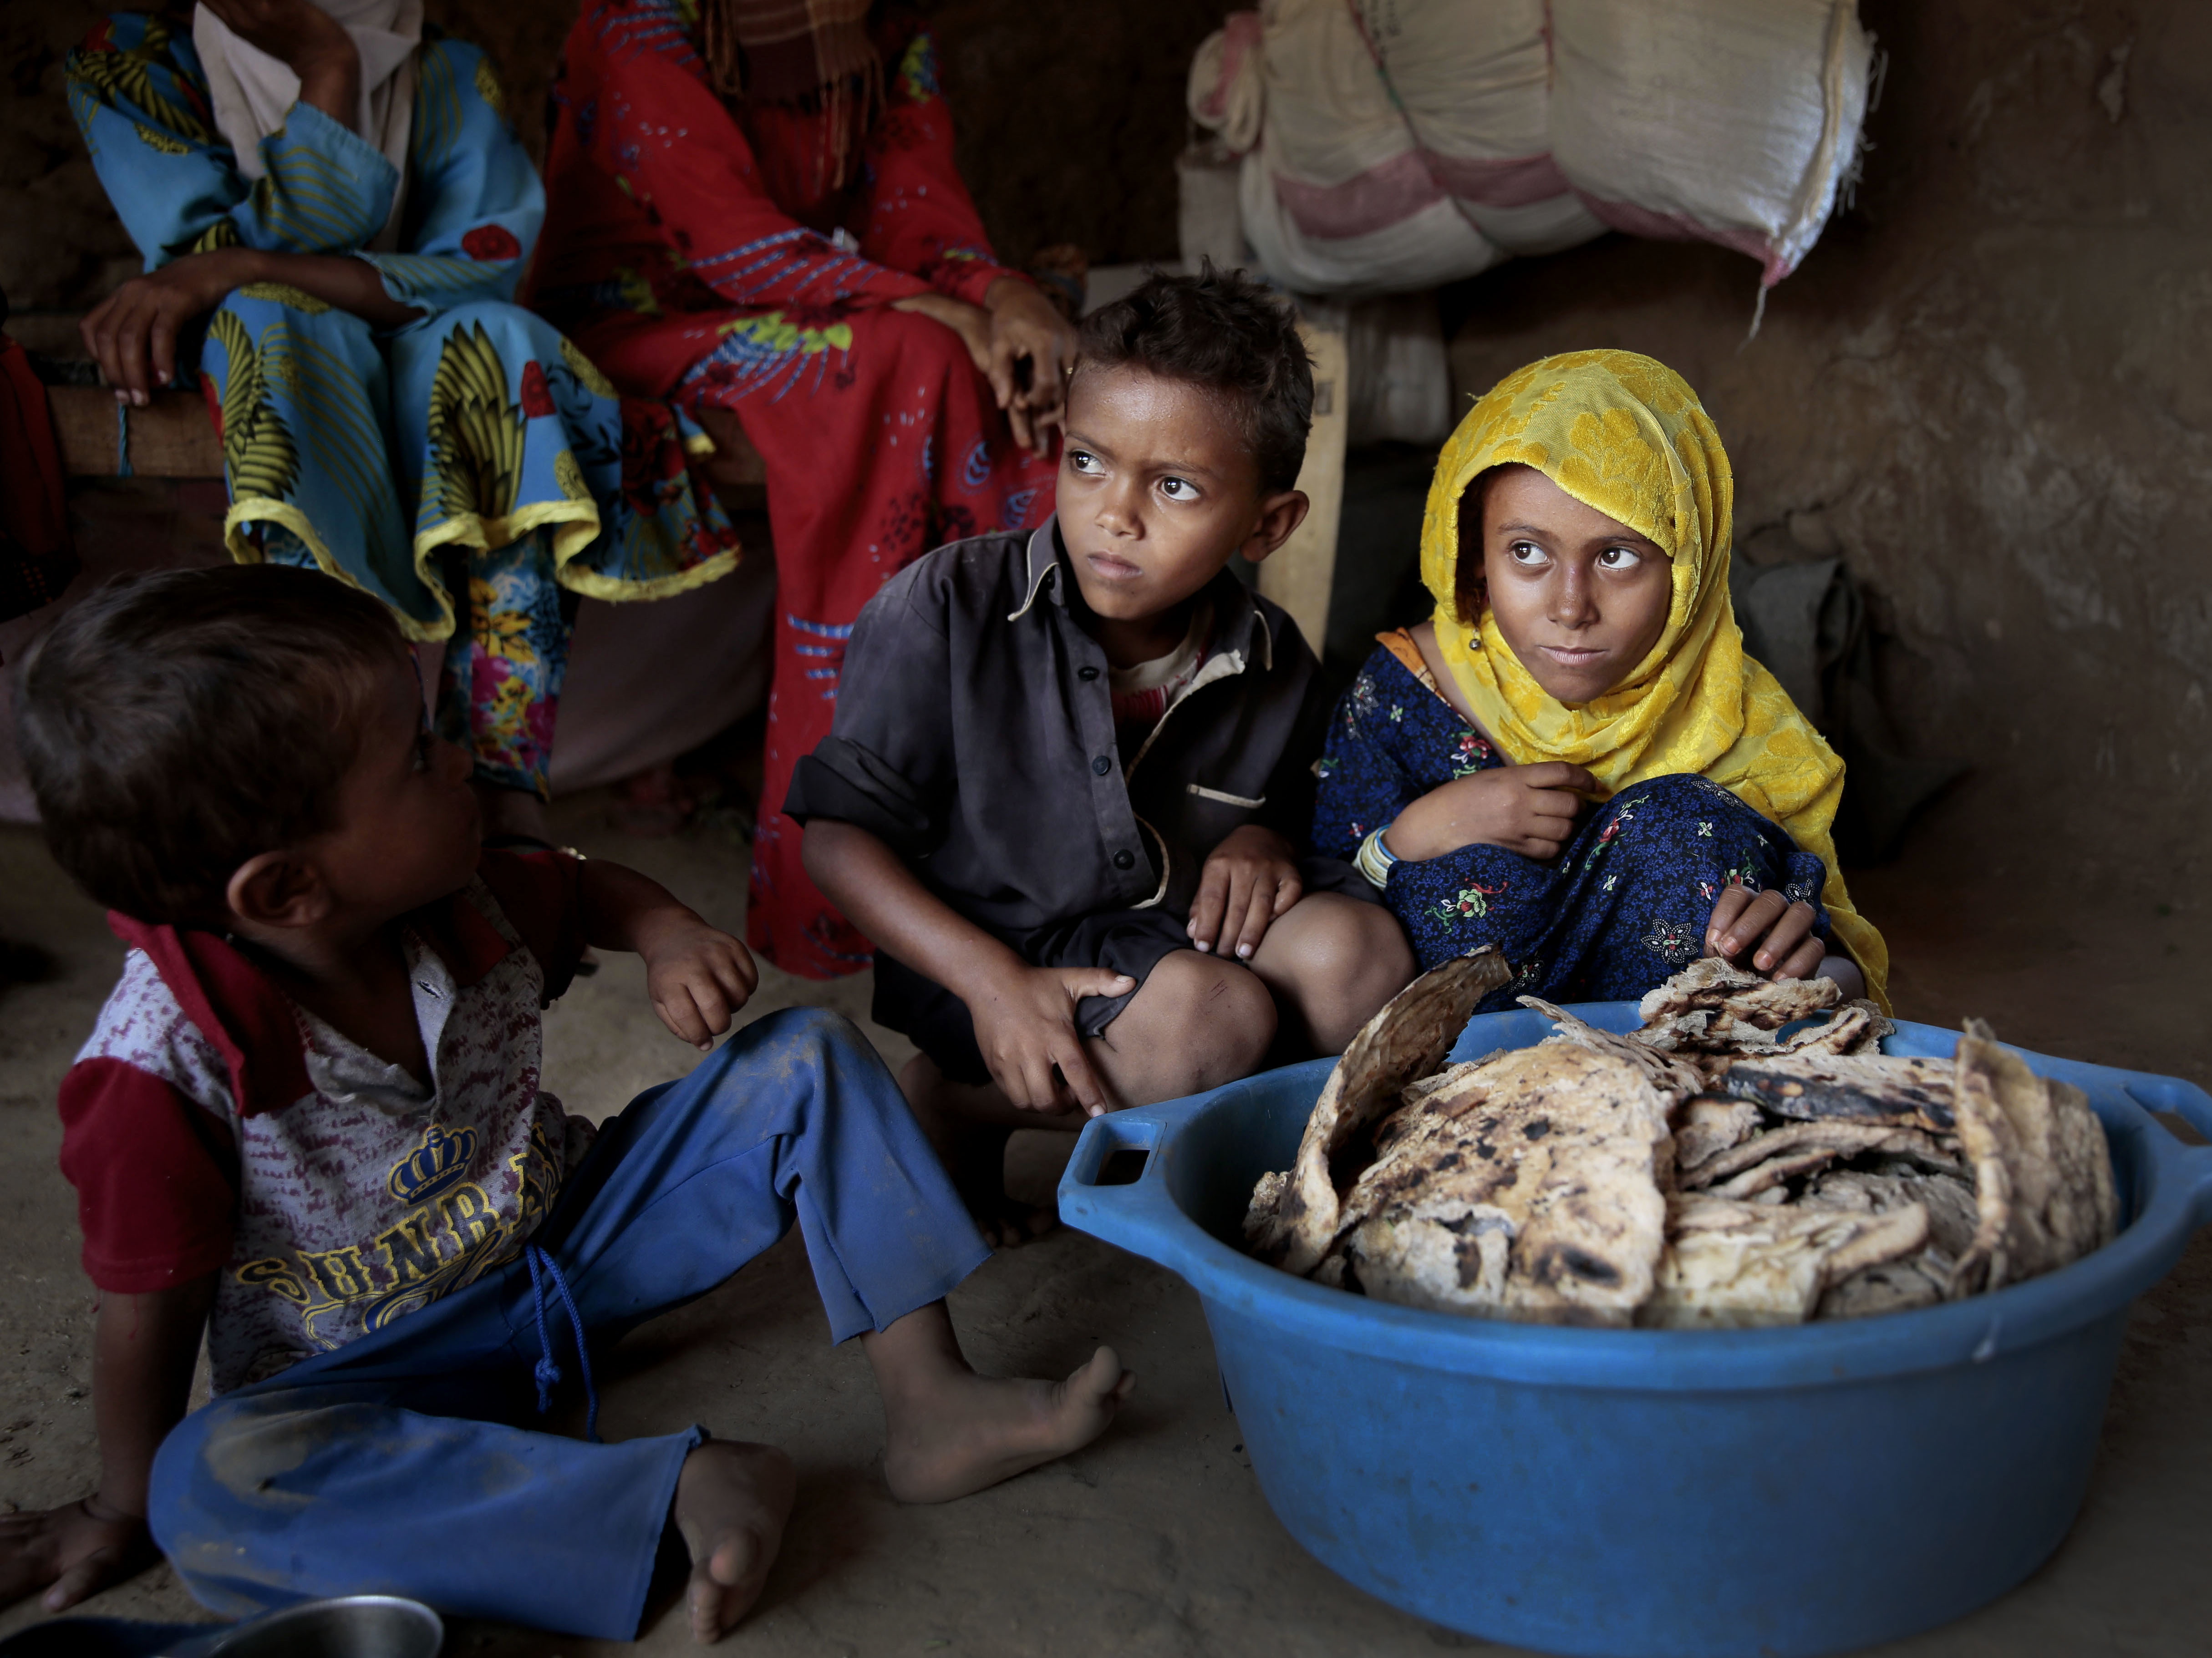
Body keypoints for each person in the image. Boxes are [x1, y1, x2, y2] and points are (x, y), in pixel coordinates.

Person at [0, 564, 1131, 1644]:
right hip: (369, 1376)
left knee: (808, 1056)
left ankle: (934, 1404)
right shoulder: (161, 1071)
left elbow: (583, 885)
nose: (459, 763)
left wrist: (665, 932)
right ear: (291, 888)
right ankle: (670, 1487)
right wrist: (120, 1504)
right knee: (209, 1490)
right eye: (416, 755)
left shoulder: (458, 884)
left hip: (561, 1258)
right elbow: (146, 1306)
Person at [789, 269, 1416, 1242]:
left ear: (1267, 524)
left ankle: (1265, 1173)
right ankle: (957, 1103)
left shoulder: (1276, 656)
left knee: (1358, 956)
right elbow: (835, 840)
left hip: (1167, 936)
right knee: (1216, 1022)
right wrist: (992, 980)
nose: (1115, 514)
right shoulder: (948, 608)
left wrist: (1265, 841)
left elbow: (1302, 810)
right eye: (1089, 462)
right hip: (990, 956)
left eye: (1174, 487)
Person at [65, 1, 740, 843]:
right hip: (276, 344)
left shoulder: (445, 64)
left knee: (507, 340)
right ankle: (341, 775)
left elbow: (482, 268)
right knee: (270, 319)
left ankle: (499, 778)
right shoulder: (131, 57)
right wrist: (329, 76)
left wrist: (247, 254)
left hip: (418, 333)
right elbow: (195, 267)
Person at [531, 0, 1078, 977]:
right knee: (905, 357)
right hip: (635, 318)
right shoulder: (640, 20)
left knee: (1031, 375)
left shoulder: (883, 21)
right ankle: (840, 857)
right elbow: (727, 239)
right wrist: (943, 311)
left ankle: (1017, 821)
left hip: (819, 301)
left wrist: (1003, 298)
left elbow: (915, 212)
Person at [1313, 348, 1890, 1012]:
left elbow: (1841, 980)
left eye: (1618, 557)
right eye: (1526, 552)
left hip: (1666, 1095)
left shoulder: (1748, 729)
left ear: (1687, 569)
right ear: (1474, 558)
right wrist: (1414, 836)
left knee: (1685, 823)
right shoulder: (1406, 695)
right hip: (1451, 1104)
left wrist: (1800, 969)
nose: (1570, 607)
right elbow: (1312, 931)